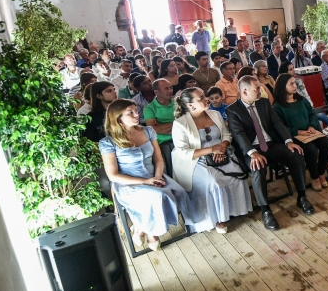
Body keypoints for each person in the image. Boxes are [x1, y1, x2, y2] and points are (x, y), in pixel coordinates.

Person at [100, 100, 192, 251]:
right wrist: (146, 181)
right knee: (157, 196)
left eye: (136, 110)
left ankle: (140, 228)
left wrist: (157, 177)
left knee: (179, 191)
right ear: (118, 117)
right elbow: (113, 175)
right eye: (131, 112)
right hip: (128, 183)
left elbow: (158, 158)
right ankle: (151, 234)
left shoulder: (148, 131)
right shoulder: (108, 142)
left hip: (153, 175)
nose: (137, 114)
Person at [226, 75, 315, 231]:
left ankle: (302, 196)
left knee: (296, 154)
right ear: (245, 91)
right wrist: (252, 153)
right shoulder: (233, 110)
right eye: (257, 88)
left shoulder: (264, 103)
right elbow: (238, 134)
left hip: (271, 144)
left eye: (260, 87)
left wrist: (289, 141)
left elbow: (277, 123)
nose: (261, 91)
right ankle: (265, 210)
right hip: (251, 149)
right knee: (257, 167)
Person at [171, 88, 252, 233]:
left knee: (237, 174)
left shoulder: (215, 114)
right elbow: (183, 152)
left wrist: (222, 146)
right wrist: (211, 150)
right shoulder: (180, 123)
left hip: (222, 152)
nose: (206, 99)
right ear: (191, 105)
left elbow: (227, 135)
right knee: (213, 181)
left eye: (204, 96)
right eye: (201, 98)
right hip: (196, 160)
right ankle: (219, 218)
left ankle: (235, 209)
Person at [273, 74, 328, 191]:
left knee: (326, 144)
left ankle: (321, 172)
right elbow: (280, 126)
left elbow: (312, 114)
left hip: (310, 131)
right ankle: (314, 176)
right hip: (295, 136)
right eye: (291, 84)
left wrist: (311, 126)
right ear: (282, 86)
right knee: (310, 150)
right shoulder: (278, 106)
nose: (295, 86)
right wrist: (297, 131)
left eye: (295, 83)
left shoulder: (301, 99)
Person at [278, 62, 328, 128]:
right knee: (318, 114)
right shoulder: (283, 87)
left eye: (293, 68)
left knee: (316, 113)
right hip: (296, 109)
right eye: (291, 69)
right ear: (285, 73)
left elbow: (306, 95)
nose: (294, 70)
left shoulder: (299, 81)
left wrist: (310, 106)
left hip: (305, 105)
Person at [143, 79, 176, 146]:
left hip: (183, 138)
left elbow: (189, 122)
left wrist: (162, 126)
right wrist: (179, 123)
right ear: (156, 92)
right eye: (166, 88)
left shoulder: (178, 103)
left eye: (171, 87)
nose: (170, 91)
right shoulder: (149, 108)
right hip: (164, 143)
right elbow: (154, 129)